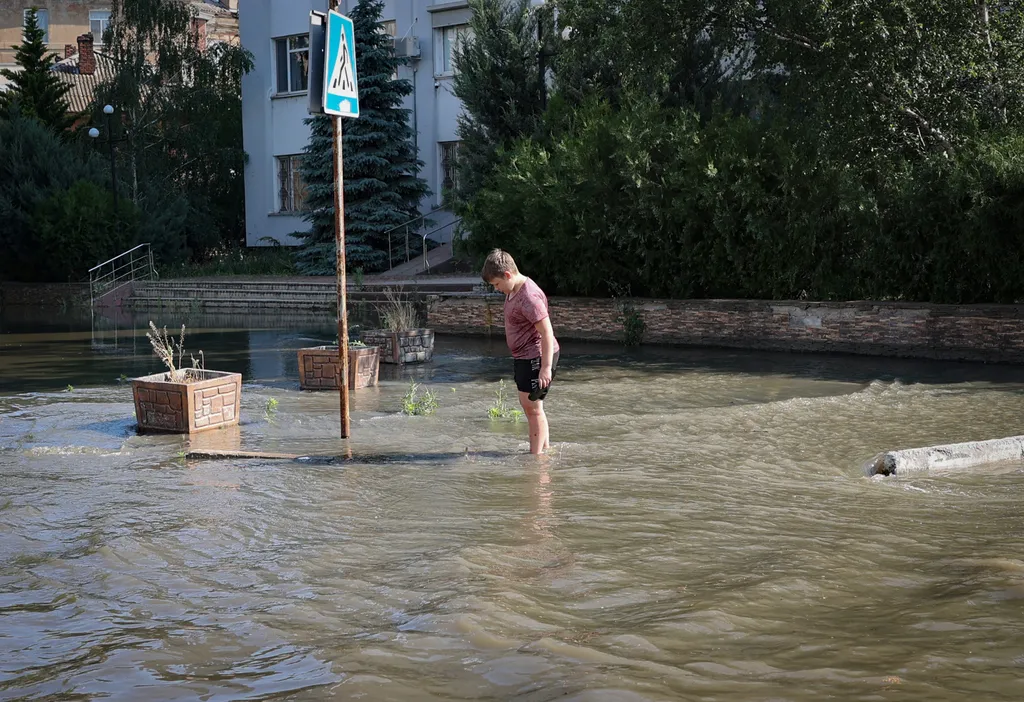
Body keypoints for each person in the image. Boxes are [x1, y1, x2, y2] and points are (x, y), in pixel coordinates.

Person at [481, 249, 560, 455]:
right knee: (532, 408)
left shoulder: (529, 297)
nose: (497, 289)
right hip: (525, 356)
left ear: (508, 275)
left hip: (537, 356)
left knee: (532, 408)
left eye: (497, 284)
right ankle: (544, 451)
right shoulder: (513, 289)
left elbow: (547, 331)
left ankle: (536, 460)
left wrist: (546, 368)